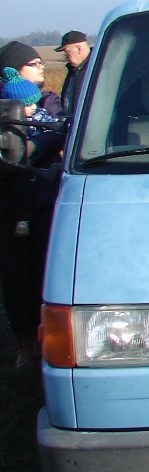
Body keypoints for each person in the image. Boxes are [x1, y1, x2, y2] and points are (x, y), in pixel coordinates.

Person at [1, 65, 63, 369]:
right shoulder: (5, 125)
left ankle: (46, 339)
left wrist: (33, 146)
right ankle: (23, 341)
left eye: (29, 104)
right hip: (11, 210)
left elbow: (57, 135)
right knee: (14, 277)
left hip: (42, 206)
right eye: (21, 106)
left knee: (44, 273)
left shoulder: (46, 120)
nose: (27, 110)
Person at [55, 30, 92, 119]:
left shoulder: (98, 69)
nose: (65, 56)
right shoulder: (73, 70)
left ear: (79, 49)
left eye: (67, 52)